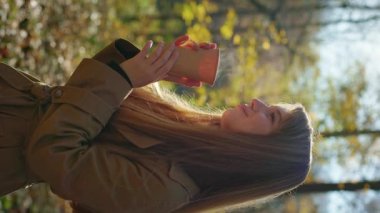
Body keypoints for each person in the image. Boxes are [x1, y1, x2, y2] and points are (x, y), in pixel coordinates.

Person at [0, 35, 313, 213]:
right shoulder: (176, 124)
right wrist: (152, 70)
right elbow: (77, 96)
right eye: (271, 105)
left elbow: (51, 155)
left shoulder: (165, 193)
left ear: (261, 157)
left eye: (271, 116)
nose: (259, 102)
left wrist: (124, 79)